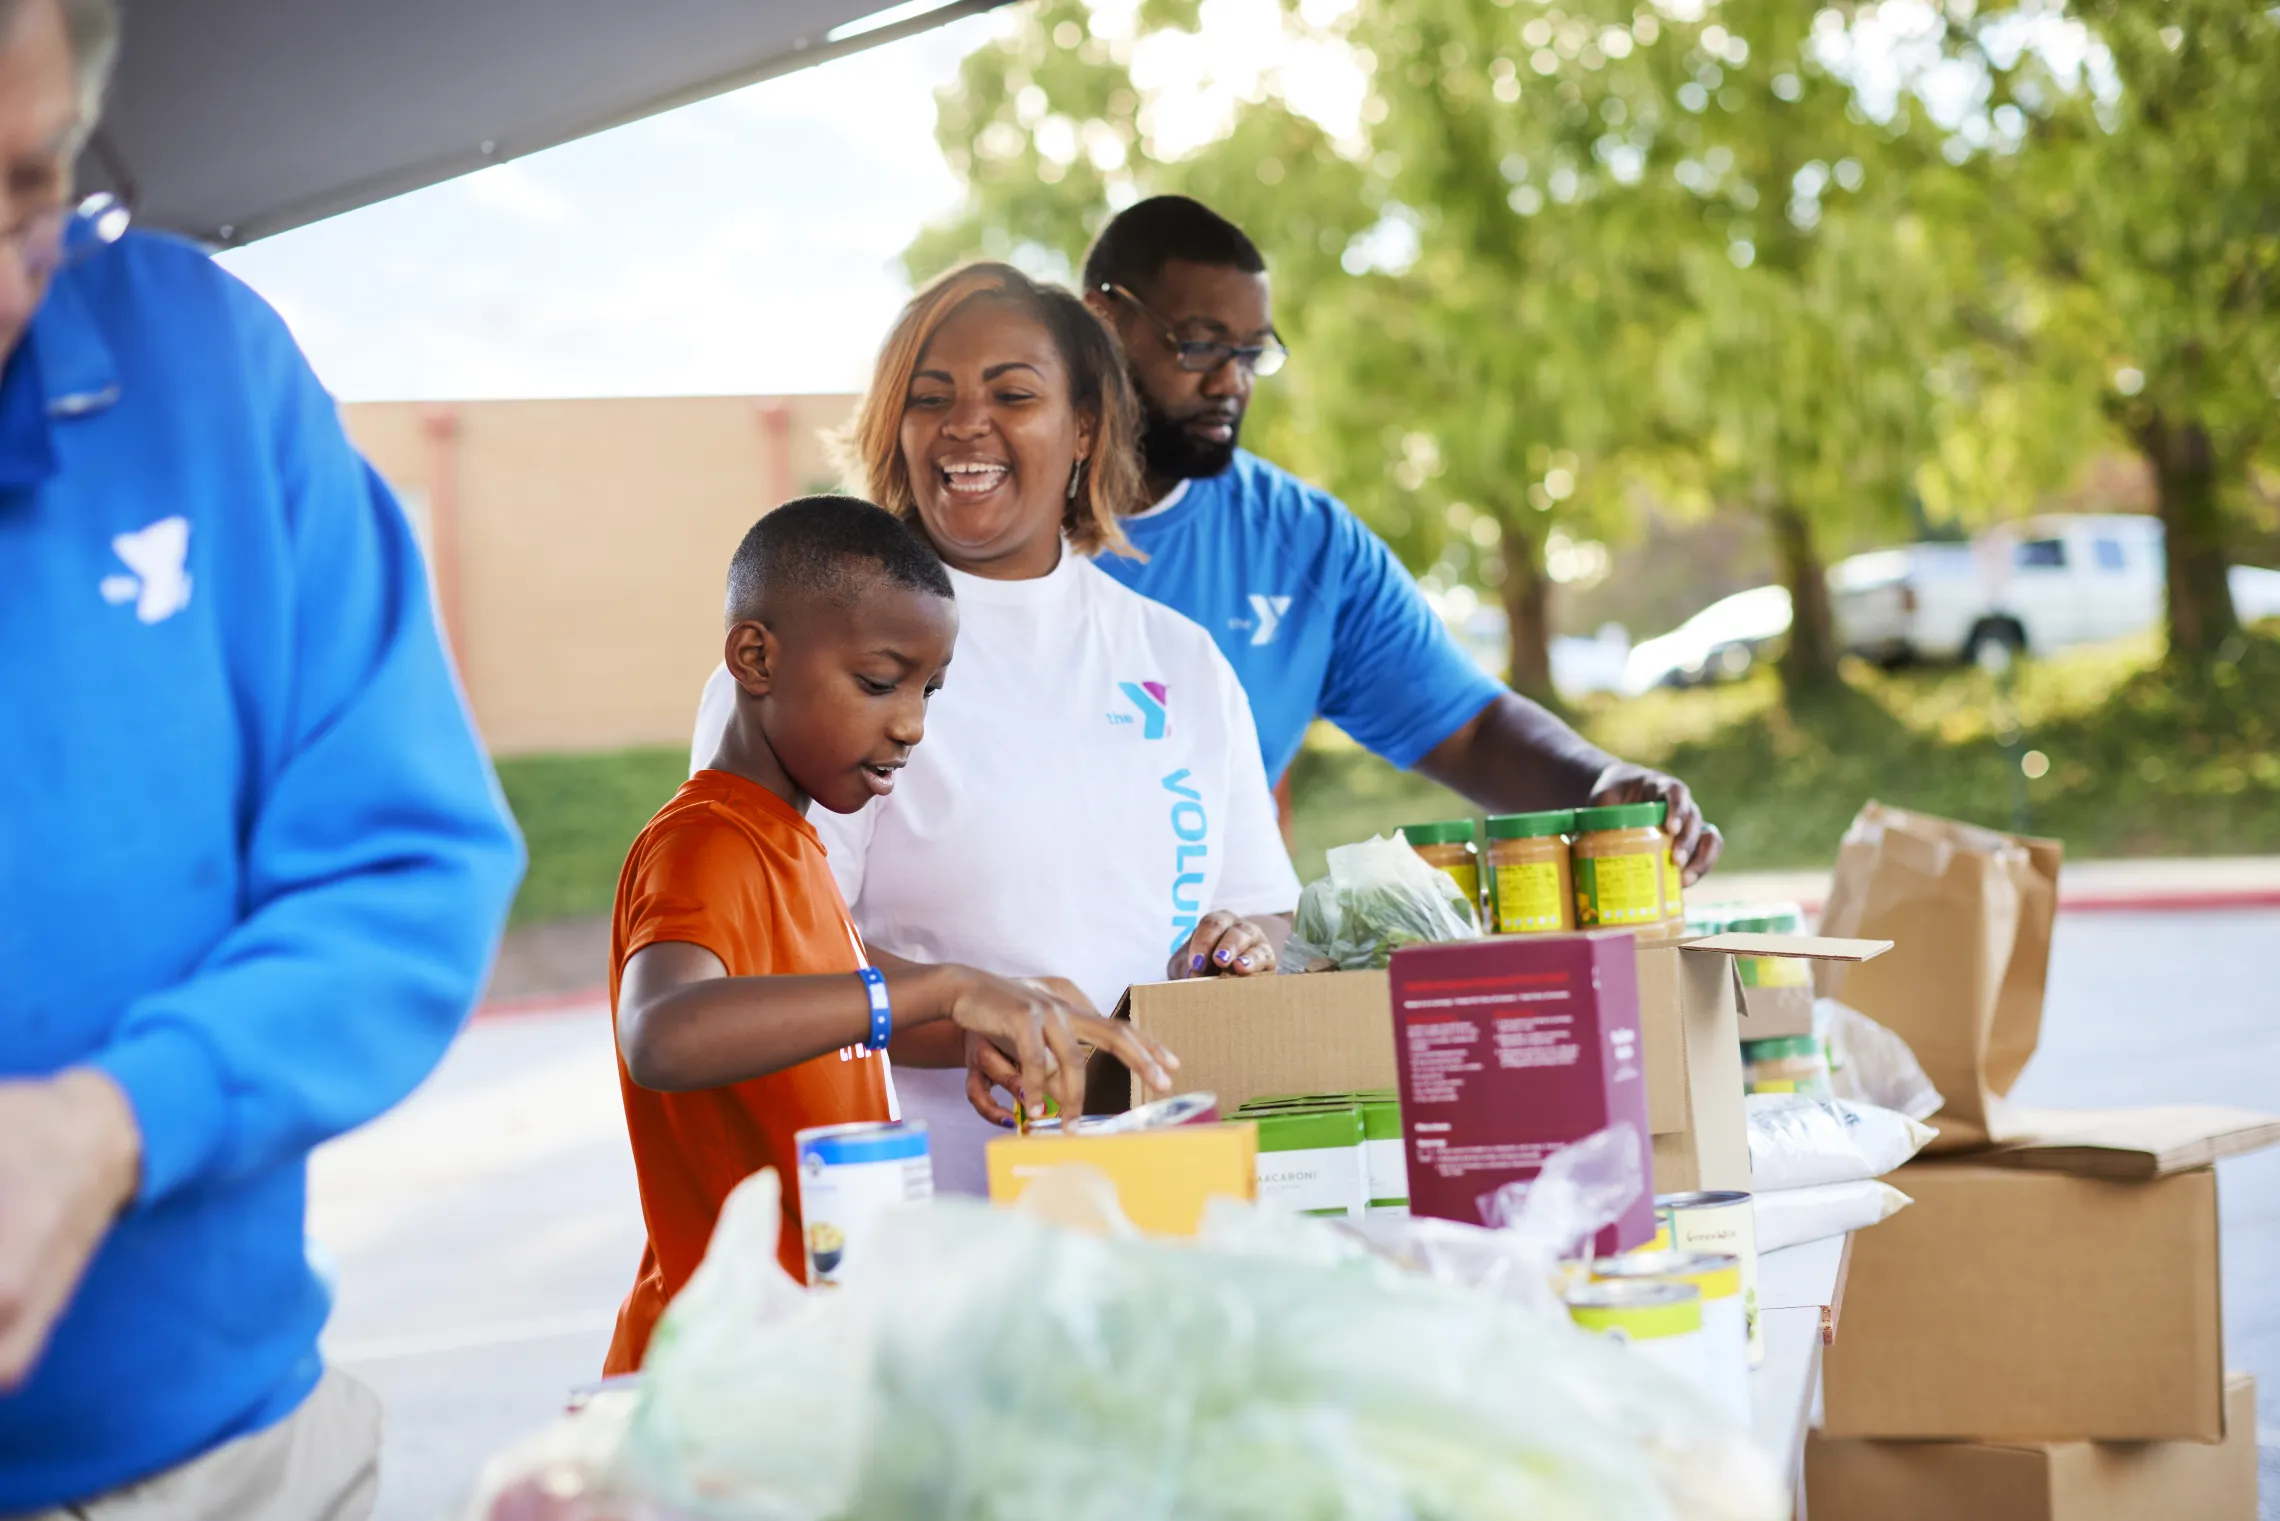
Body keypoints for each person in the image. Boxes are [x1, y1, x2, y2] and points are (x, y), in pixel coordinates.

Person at [0, 0, 526, 1515]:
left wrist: (116, 1121)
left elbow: (411, 864)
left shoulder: (208, 365)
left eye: (33, 183)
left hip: (234, 1463)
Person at [691, 265, 1298, 1193]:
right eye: (929, 399)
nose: (965, 423)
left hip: (1149, 1199)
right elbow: (771, 965)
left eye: (1012, 394)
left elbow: (1262, 900)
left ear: (1086, 426)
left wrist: (1241, 941)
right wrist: (973, 1014)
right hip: (909, 1220)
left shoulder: (1181, 660)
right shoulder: (815, 664)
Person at [611, 496, 1174, 1369]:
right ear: (755, 657)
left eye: (929, 690)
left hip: (813, 1352)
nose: (911, 724)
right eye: (879, 683)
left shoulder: (792, 846)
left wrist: (975, 1028)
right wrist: (942, 985)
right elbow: (662, 1032)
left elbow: (824, 1009)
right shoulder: (707, 843)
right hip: (727, 1370)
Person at [1080, 195, 1726, 881]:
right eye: (1201, 343)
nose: (1229, 381)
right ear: (1101, 320)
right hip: (1008, 973)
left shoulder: (1304, 545)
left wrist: (1602, 780)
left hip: (1211, 966)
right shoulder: (991, 518)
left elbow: (1468, 729)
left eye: (1250, 353)